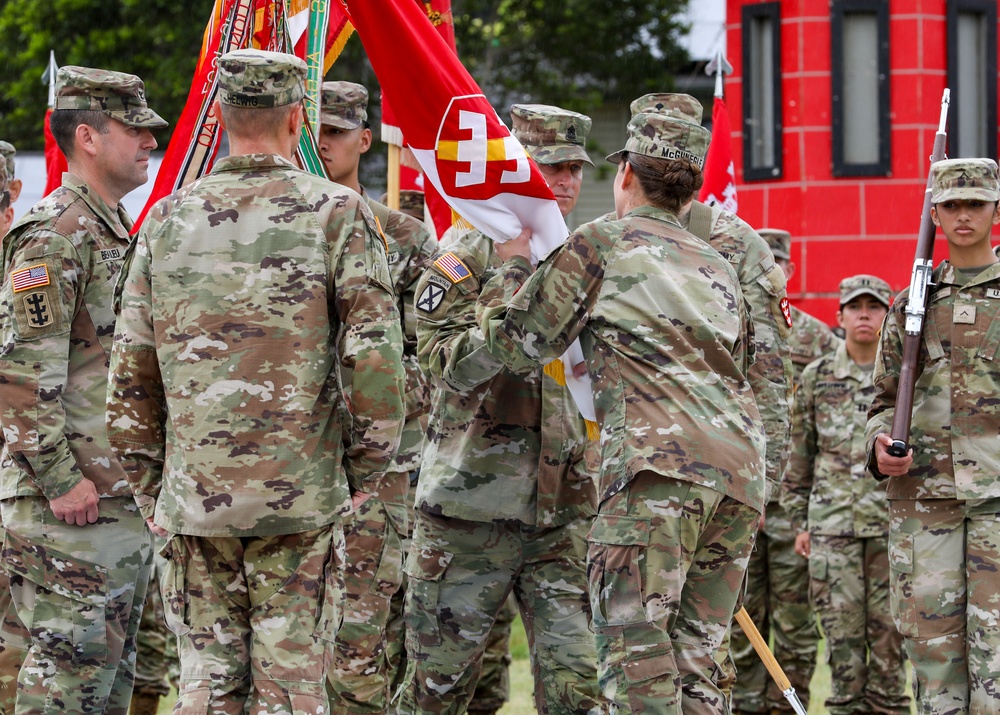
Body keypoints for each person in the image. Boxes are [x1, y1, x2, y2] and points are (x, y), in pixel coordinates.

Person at [105, 49, 406, 714]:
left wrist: (153, 486)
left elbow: (130, 374)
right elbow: (377, 363)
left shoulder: (166, 219)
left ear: (219, 112)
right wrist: (359, 475)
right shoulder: (338, 212)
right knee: (293, 685)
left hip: (194, 499)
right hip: (301, 496)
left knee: (208, 684)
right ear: (298, 116)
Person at [479, 108, 765, 713]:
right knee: (699, 659)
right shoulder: (716, 263)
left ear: (627, 172)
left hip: (655, 472)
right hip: (737, 476)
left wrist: (509, 262)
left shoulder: (602, 242)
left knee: (636, 660)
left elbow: (516, 344)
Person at [396, 103, 603, 715]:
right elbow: (449, 365)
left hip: (562, 513)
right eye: (553, 168)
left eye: (575, 171)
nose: (565, 184)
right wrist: (512, 269)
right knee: (439, 691)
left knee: (578, 689)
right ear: (518, 169)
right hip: (468, 513)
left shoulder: (582, 260)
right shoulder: (468, 249)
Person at [0, 66, 166, 714]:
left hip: (109, 502)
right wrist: (59, 478)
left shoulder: (106, 229)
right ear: (89, 136)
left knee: (103, 684)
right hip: (68, 508)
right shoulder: (56, 233)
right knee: (67, 684)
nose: (150, 141)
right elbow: (17, 371)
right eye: (136, 128)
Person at [317, 79, 435, 715]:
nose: (322, 143)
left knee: (367, 637)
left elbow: (431, 357)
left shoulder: (406, 239)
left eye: (336, 132)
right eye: (312, 129)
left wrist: (370, 391)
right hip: (288, 464)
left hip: (379, 472)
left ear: (365, 139)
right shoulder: (275, 229)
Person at [867, 157, 1000, 715]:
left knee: (996, 664)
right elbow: (878, 401)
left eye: (976, 203)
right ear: (935, 213)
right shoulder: (911, 303)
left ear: (997, 209)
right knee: (934, 658)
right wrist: (878, 446)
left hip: (996, 500)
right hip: (927, 501)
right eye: (951, 205)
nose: (963, 215)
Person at [782, 274, 909, 715]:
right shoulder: (818, 377)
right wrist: (801, 522)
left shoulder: (902, 380)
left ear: (886, 316)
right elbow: (800, 455)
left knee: (892, 647)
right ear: (840, 316)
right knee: (842, 648)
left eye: (874, 307)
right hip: (832, 530)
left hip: (892, 527)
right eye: (855, 307)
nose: (864, 315)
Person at [722, 227, 834, 714]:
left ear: (791, 269)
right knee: (737, 614)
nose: (776, 273)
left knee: (794, 621)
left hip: (790, 508)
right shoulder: (724, 326)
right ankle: (746, 706)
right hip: (740, 494)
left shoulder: (816, 338)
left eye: (781, 265)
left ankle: (791, 706)